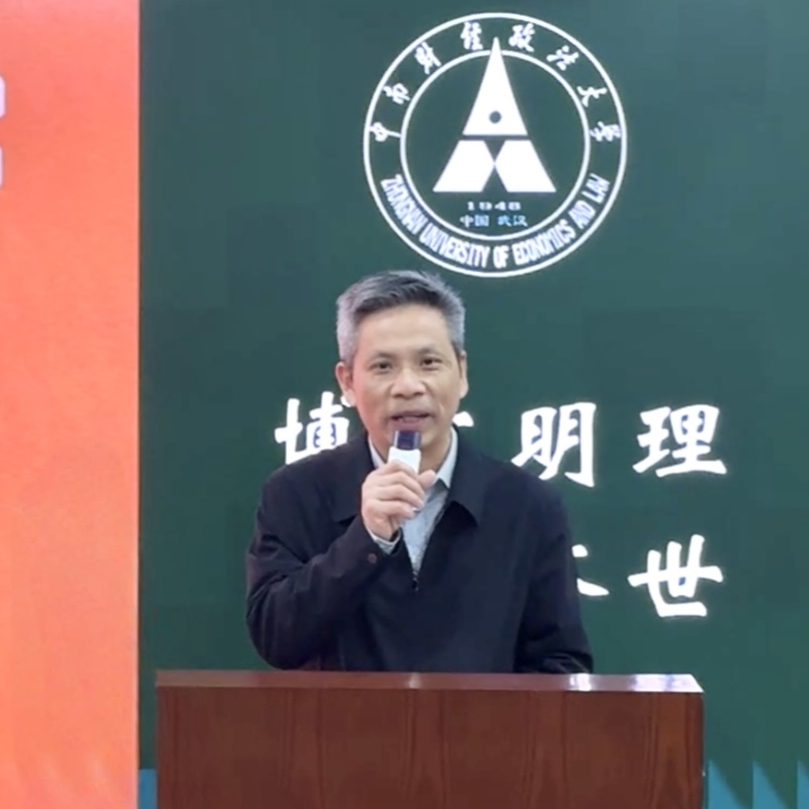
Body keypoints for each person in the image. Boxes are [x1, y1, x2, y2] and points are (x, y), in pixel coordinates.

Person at [244, 269, 593, 674]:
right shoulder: (296, 493)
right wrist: (366, 540)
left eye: (428, 363)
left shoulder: (528, 505)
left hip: (482, 720)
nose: (408, 386)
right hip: (338, 719)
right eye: (383, 367)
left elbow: (560, 662)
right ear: (348, 382)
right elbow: (276, 639)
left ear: (461, 372)